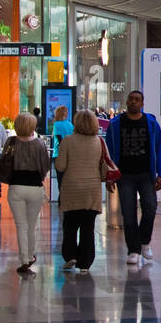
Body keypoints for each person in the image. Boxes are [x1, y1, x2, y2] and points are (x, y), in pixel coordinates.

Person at [105, 90, 161, 266]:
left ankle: (144, 241)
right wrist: (109, 176)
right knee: (128, 213)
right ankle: (133, 250)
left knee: (150, 208)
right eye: (130, 99)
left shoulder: (152, 124)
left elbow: (158, 149)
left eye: (137, 100)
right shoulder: (115, 124)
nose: (133, 102)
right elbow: (109, 153)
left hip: (146, 175)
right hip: (125, 176)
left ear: (142, 103)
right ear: (126, 102)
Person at [55, 109, 107, 273]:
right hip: (92, 190)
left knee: (69, 225)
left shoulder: (68, 141)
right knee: (88, 228)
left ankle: (70, 255)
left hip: (71, 188)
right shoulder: (99, 142)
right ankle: (85, 263)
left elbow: (61, 166)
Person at [3, 112, 51, 274]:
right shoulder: (39, 144)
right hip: (35, 187)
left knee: (21, 225)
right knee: (32, 225)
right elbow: (45, 167)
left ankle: (24, 259)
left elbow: (4, 161)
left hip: (16, 186)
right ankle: (30, 255)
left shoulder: (11, 142)